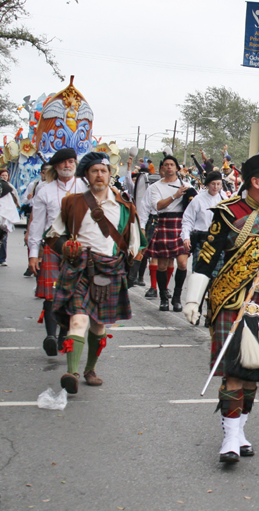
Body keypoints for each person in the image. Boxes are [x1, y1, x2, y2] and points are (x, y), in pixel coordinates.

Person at [182, 154, 259, 464]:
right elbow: (207, 259)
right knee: (235, 373)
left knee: (254, 374)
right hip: (233, 300)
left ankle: (239, 432)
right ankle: (228, 438)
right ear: (256, 182)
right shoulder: (228, 214)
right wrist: (192, 299)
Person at [45, 153, 143, 394]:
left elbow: (136, 246)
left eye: (104, 171)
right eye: (94, 171)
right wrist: (65, 246)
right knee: (78, 320)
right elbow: (52, 235)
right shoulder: (72, 202)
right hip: (79, 268)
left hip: (109, 270)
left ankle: (90, 369)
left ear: (110, 175)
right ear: (86, 176)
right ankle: (72, 373)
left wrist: (129, 274)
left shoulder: (125, 208)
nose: (99, 175)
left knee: (98, 326)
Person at [28, 148, 88, 356]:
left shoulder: (85, 186)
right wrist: (33, 254)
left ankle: (64, 336)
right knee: (52, 293)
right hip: (53, 246)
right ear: (55, 166)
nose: (67, 165)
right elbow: (37, 224)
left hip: (80, 248)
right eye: (63, 162)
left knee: (71, 294)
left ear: (75, 164)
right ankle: (51, 336)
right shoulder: (44, 190)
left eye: (71, 161)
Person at [145, 155, 191, 312]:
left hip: (181, 223)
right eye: (166, 165)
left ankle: (177, 298)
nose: (169, 167)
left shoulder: (185, 185)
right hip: (164, 222)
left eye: (172, 164)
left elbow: (193, 204)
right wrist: (175, 196)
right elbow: (158, 206)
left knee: (183, 263)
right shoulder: (155, 187)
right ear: (162, 169)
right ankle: (164, 297)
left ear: (177, 168)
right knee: (162, 265)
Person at [181, 171, 226, 269]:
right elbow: (188, 220)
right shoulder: (198, 200)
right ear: (207, 184)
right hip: (201, 240)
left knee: (216, 277)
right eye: (213, 184)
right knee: (199, 274)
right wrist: (186, 237)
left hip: (218, 242)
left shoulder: (225, 199)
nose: (215, 187)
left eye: (218, 184)